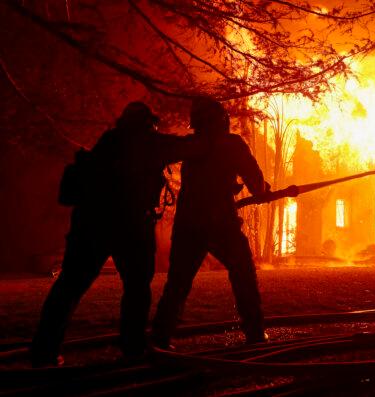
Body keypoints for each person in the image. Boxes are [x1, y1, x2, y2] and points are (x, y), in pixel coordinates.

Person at [31, 102, 206, 366]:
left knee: (69, 287)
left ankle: (44, 349)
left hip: (90, 225)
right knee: (137, 289)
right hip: (130, 227)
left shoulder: (109, 142)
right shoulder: (150, 143)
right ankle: (133, 347)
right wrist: (207, 134)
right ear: (147, 123)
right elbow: (187, 148)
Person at [152, 97, 269, 348]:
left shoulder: (190, 146)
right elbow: (256, 185)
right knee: (243, 272)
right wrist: (262, 191)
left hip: (188, 224)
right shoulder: (232, 144)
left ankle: (160, 336)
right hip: (220, 224)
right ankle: (255, 332)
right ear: (221, 120)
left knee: (178, 282)